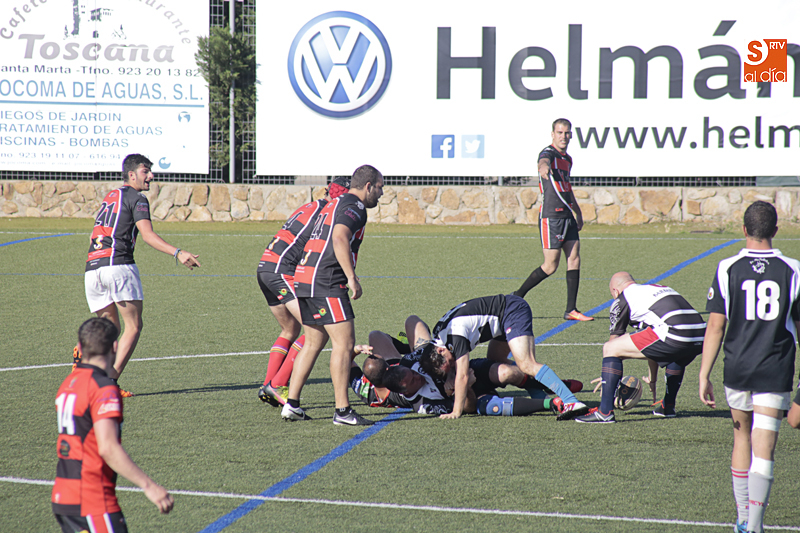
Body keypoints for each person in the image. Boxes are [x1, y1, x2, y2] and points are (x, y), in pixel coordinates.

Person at [699, 201, 800, 533]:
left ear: (744, 229)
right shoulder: (794, 270)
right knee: (764, 447)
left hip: (737, 369)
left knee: (741, 438)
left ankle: (743, 518)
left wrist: (704, 374)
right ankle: (754, 525)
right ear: (775, 230)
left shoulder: (727, 267)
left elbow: (716, 327)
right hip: (774, 370)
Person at [83, 154, 200, 396]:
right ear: (132, 174)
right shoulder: (138, 198)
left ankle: (86, 367)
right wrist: (177, 252)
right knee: (133, 326)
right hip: (118, 266)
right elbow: (147, 235)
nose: (151, 176)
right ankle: (109, 383)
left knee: (110, 330)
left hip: (93, 268)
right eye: (145, 171)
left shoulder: (111, 196)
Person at [280, 165, 384, 426]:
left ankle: (292, 404)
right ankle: (342, 411)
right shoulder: (355, 206)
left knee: (313, 341)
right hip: (326, 280)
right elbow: (339, 238)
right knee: (344, 345)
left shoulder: (333, 203)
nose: (381, 193)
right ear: (368, 186)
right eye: (380, 187)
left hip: (305, 277)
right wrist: (351, 277)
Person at [53, 318, 173, 533]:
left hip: (63, 497)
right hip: (92, 500)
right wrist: (149, 486)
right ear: (114, 347)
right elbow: (107, 447)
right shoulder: (103, 389)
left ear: (80, 347)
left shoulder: (69, 383)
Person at [255, 176, 351, 407]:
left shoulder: (310, 205)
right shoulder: (327, 213)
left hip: (266, 267)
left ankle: (269, 386)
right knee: (317, 329)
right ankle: (277, 385)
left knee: (290, 329)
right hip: (282, 270)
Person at [419, 294, 589, 420]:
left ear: (440, 351)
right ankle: (538, 390)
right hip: (501, 320)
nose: (453, 363)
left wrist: (456, 411)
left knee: (526, 364)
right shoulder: (440, 336)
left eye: (450, 361)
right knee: (495, 360)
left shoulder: (454, 335)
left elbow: (463, 375)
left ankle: (571, 401)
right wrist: (449, 375)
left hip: (512, 311)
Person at [575, 272, 706, 423]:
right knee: (677, 353)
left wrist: (607, 378)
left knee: (610, 348)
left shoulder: (622, 299)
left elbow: (613, 344)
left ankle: (604, 412)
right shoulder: (657, 288)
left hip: (674, 334)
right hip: (701, 336)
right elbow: (653, 342)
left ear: (615, 291)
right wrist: (652, 379)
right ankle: (668, 406)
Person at [515, 118, 592, 322]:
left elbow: (567, 187)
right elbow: (543, 161)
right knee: (550, 266)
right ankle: (516, 296)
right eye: (559, 133)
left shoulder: (568, 159)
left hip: (567, 215)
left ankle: (571, 310)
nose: (563, 136)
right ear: (553, 134)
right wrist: (543, 167)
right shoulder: (548, 153)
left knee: (574, 258)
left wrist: (578, 212)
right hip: (552, 217)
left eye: (566, 133)